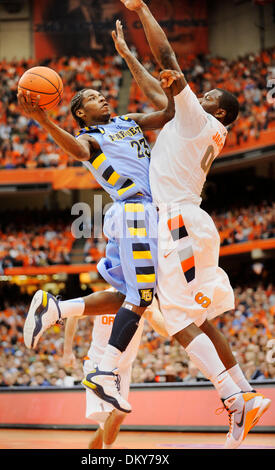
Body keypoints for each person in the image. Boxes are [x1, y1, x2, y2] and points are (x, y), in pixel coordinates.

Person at [113, 0, 271, 449]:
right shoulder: (200, 123)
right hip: (194, 222)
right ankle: (245, 394)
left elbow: (170, 63)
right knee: (205, 318)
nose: (197, 97)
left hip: (178, 222)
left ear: (218, 112)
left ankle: (233, 397)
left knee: (177, 317)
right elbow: (161, 93)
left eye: (206, 98)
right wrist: (128, 59)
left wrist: (142, 10)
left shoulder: (199, 118)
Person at [19, 54, 175, 414]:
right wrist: (43, 119)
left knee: (126, 295)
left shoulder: (129, 120)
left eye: (101, 94)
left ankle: (56, 308)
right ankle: (103, 370)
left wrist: (130, 59)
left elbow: (168, 114)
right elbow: (76, 151)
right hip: (134, 210)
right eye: (92, 97)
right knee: (143, 295)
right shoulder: (89, 137)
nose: (102, 97)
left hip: (145, 212)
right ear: (80, 113)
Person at [62, 289, 168, 449]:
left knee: (107, 424)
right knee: (118, 412)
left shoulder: (146, 298)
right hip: (98, 365)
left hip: (123, 368)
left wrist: (153, 314)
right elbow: (73, 313)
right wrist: (67, 351)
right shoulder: (105, 296)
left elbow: (165, 331)